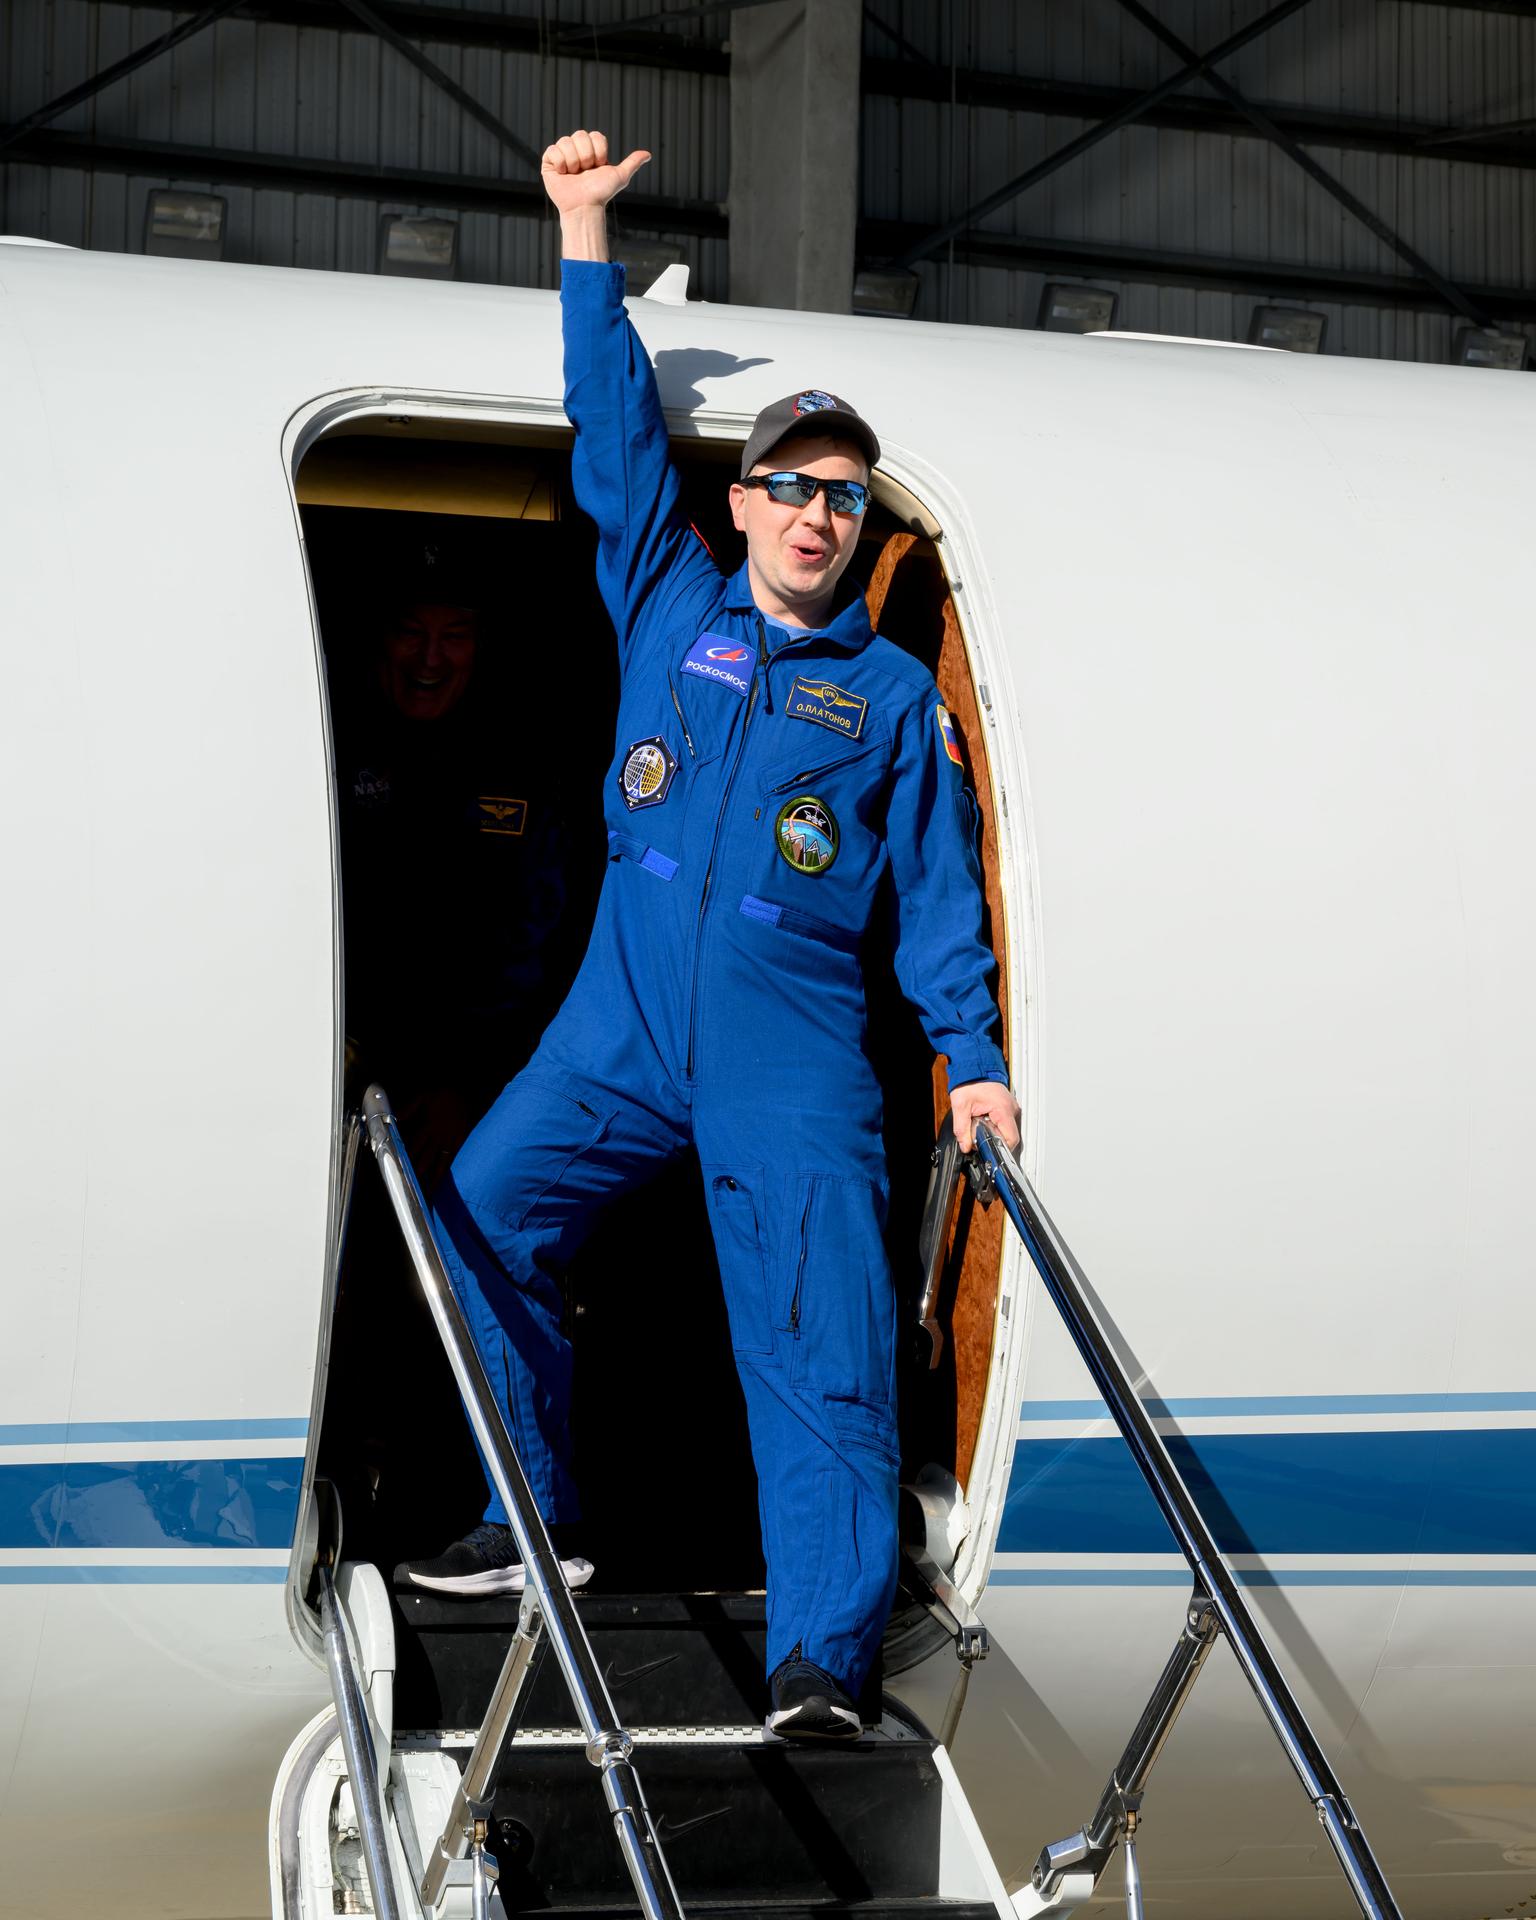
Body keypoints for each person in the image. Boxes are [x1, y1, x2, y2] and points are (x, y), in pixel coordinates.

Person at [400, 129, 1020, 1744]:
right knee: (480, 1208)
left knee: (815, 1336)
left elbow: (940, 896)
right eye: (792, 486)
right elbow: (611, 441)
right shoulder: (672, 608)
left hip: (791, 1043)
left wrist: (969, 1060)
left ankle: (821, 1655)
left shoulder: (888, 701)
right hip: (622, 1024)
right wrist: (583, 240)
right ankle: (531, 1513)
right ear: (741, 500)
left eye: (842, 496)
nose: (817, 515)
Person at [334, 549, 572, 1186]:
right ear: (380, 639)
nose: (430, 659)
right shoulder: (325, 743)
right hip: (335, 1073)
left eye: (454, 636)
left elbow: (538, 942)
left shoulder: (519, 764)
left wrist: (463, 1084)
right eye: (412, 632)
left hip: (472, 1095)